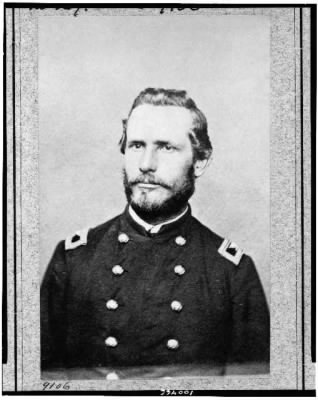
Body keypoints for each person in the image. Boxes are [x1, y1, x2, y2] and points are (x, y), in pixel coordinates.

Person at [41, 88, 270, 377]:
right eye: (136, 145)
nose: (146, 164)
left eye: (166, 147)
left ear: (200, 161)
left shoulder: (231, 272)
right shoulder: (73, 259)